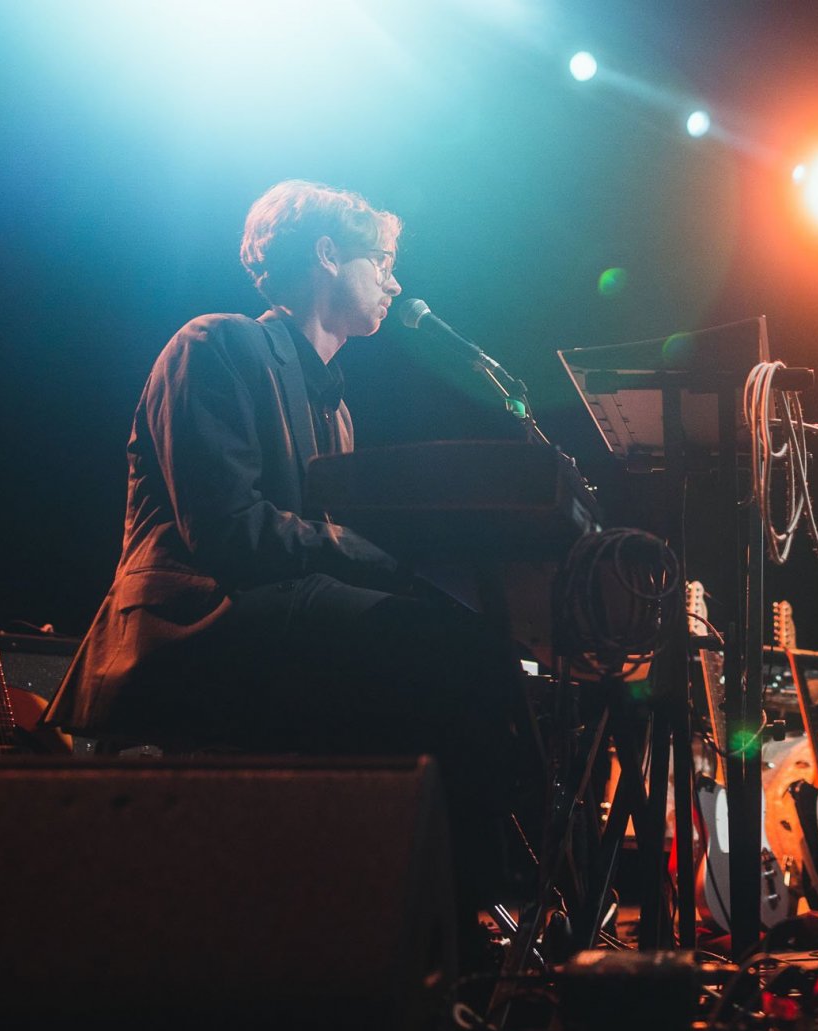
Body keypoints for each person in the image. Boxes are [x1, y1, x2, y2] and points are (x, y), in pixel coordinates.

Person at [44, 180, 527, 949]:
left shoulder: (337, 407)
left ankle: (404, 915)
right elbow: (230, 534)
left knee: (478, 652)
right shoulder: (214, 345)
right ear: (328, 255)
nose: (396, 282)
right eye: (384, 259)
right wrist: (373, 556)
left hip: (277, 621)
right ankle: (461, 927)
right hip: (193, 622)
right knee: (445, 648)